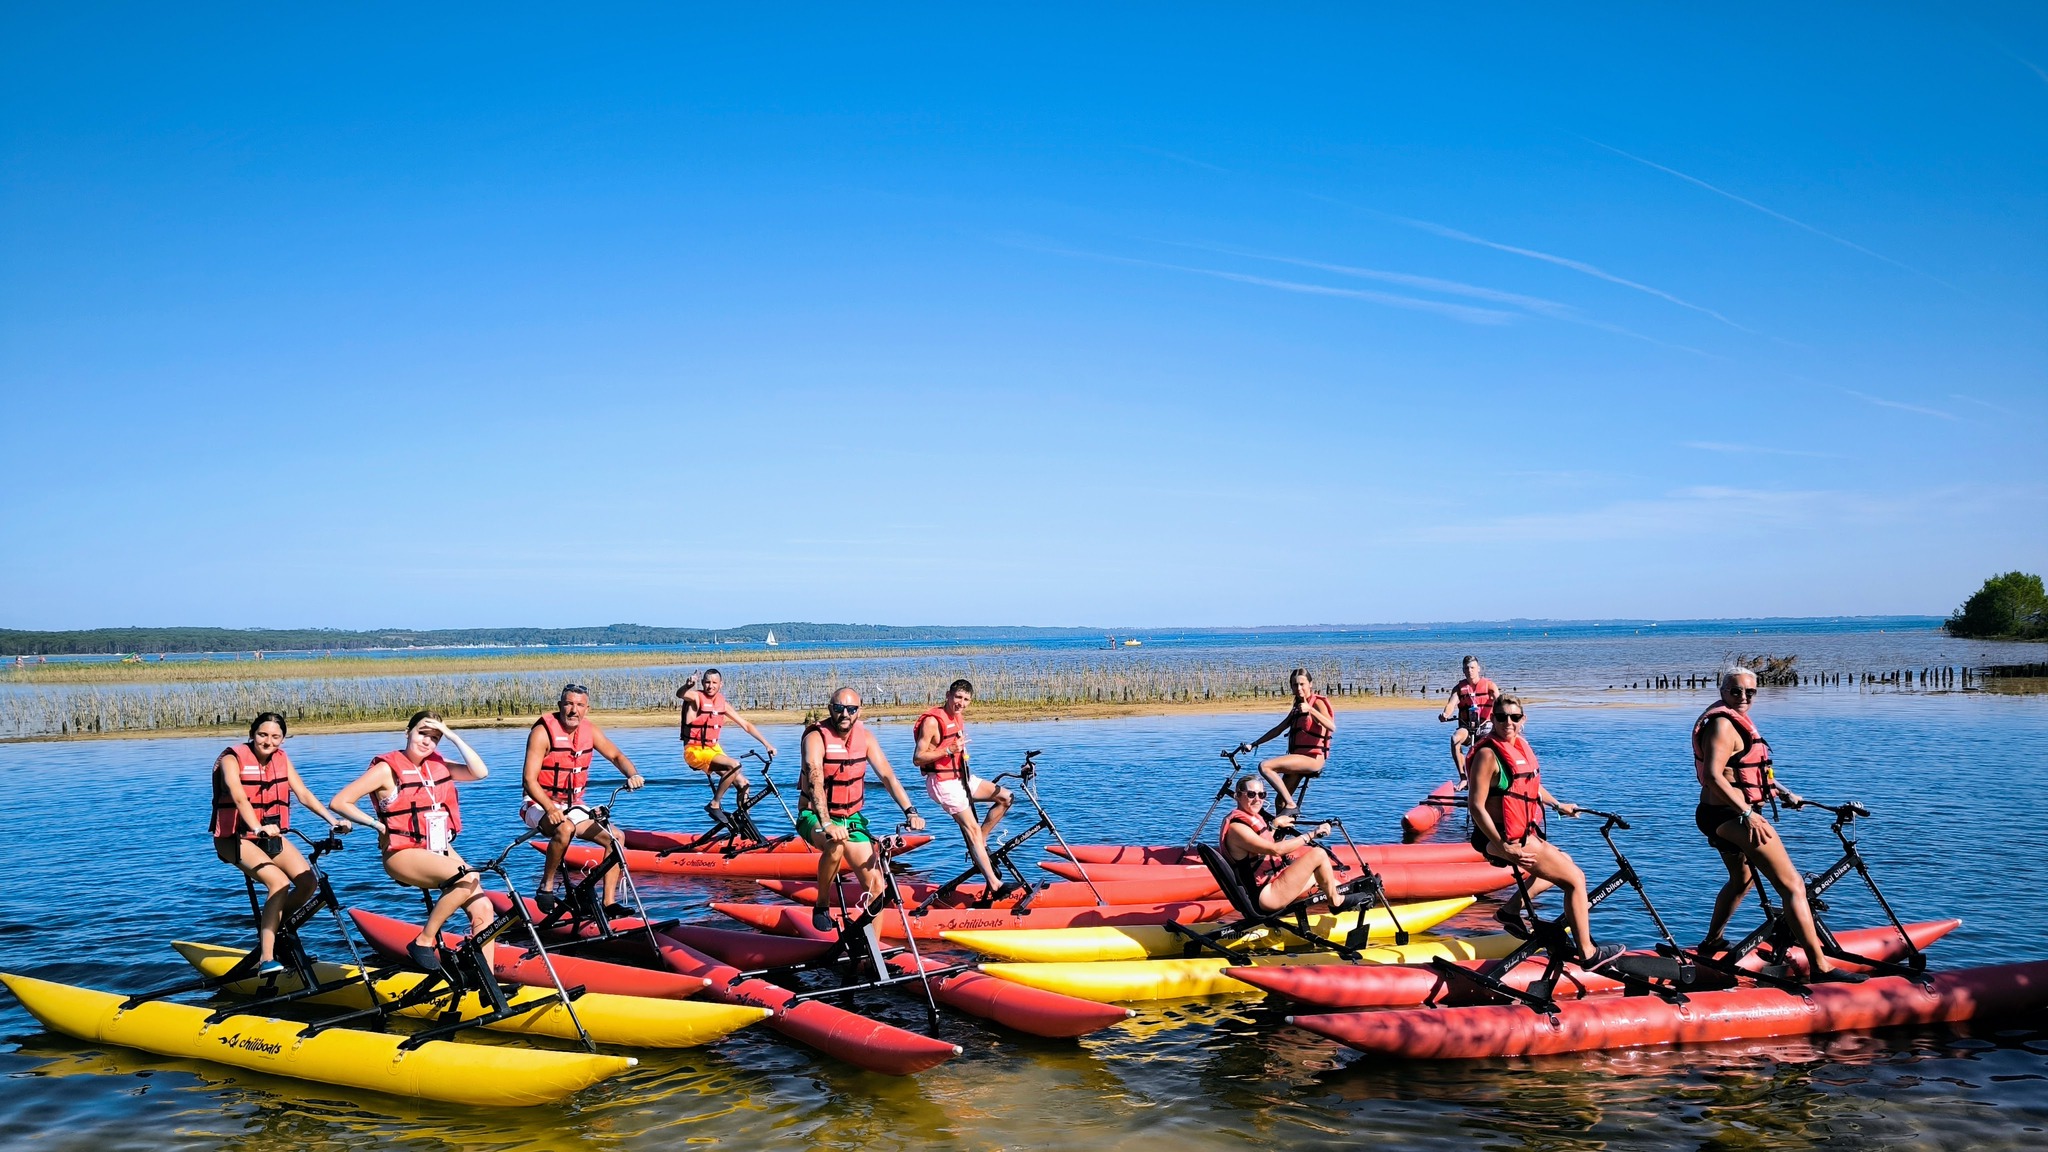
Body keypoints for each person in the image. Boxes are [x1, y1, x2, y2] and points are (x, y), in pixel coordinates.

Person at [1692, 666, 1860, 981]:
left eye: (1750, 692)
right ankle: (1821, 966)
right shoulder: (1722, 725)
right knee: (1792, 885)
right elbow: (1715, 776)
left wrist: (1784, 792)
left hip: (1719, 814)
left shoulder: (1734, 721)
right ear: (1723, 691)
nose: (1743, 697)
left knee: (1742, 879)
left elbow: (1745, 768)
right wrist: (1747, 813)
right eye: (1735, 691)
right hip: (1731, 815)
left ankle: (1711, 941)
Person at [1465, 696, 1624, 971]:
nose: (1508, 723)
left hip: (1517, 836)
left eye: (1515, 717)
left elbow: (1528, 786)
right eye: (1501, 717)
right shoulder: (1488, 755)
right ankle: (1588, 954)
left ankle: (1510, 910)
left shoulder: (1518, 749)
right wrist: (1503, 846)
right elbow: (1475, 806)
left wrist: (1558, 805)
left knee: (1565, 860)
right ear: (1492, 719)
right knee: (1575, 880)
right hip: (1499, 838)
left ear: (1523, 720)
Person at [329, 711, 493, 972]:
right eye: (422, 733)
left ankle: (487, 980)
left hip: (437, 848)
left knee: (483, 903)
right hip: (401, 852)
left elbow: (480, 772)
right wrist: (378, 825)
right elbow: (339, 802)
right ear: (408, 732)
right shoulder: (386, 769)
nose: (427, 742)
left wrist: (451, 735)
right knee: (463, 878)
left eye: (435, 738)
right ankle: (423, 942)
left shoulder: (438, 765)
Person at [209, 712, 352, 974]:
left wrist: (333, 821)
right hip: (235, 838)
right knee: (279, 882)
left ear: (283, 740)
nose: (268, 741)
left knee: (309, 882)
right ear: (252, 734)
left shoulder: (282, 760)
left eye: (275, 736)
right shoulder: (232, 758)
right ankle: (266, 957)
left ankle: (274, 930)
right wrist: (257, 827)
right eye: (263, 735)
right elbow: (239, 797)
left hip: (270, 837)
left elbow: (304, 794)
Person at [796, 688, 926, 931]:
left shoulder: (865, 737)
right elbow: (814, 779)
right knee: (834, 845)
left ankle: (871, 957)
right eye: (839, 708)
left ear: (859, 710)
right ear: (830, 709)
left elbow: (887, 776)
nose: (845, 714)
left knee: (877, 886)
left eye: (851, 709)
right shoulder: (815, 737)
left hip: (851, 818)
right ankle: (822, 903)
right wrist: (826, 824)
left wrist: (911, 811)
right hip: (814, 816)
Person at [522, 683, 644, 916]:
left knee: (616, 838)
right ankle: (545, 886)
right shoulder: (542, 733)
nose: (573, 710)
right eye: (568, 704)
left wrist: (632, 774)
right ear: (560, 706)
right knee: (565, 828)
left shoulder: (590, 731)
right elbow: (529, 780)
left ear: (586, 709)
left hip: (573, 805)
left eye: (579, 705)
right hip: (537, 803)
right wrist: (549, 808)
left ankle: (608, 903)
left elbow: (616, 755)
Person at [913, 679, 1016, 894]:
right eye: (958, 697)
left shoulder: (958, 717)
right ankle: (995, 884)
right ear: (948, 695)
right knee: (971, 830)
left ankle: (980, 843)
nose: (961, 703)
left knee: (1006, 797)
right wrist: (948, 750)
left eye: (966, 699)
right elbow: (918, 757)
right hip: (943, 783)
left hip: (962, 777)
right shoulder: (932, 721)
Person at [1217, 775, 1346, 912]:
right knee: (1319, 854)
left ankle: (1345, 907)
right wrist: (1312, 834)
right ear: (1237, 796)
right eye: (1251, 794)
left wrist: (1273, 825)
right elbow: (1275, 849)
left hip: (1268, 887)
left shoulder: (1246, 821)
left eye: (1262, 795)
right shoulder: (1237, 829)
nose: (1257, 799)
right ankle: (1335, 903)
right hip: (1264, 896)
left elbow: (1259, 846)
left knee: (1327, 880)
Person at [677, 669, 778, 817]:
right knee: (734, 764)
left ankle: (744, 823)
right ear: (703, 683)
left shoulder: (722, 704)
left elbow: (746, 725)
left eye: (714, 683)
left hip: (713, 750)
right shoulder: (696, 698)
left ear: (720, 684)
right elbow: (680, 694)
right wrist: (687, 685)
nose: (710, 686)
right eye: (707, 682)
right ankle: (714, 804)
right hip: (695, 751)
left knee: (744, 784)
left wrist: (767, 744)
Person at [1237, 668, 1335, 816]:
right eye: (1295, 685)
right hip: (1298, 758)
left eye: (1302, 684)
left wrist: (1311, 710)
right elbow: (1278, 729)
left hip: (1312, 759)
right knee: (1279, 802)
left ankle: (1291, 804)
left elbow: (1331, 726)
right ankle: (1284, 837)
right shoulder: (1297, 706)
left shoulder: (1317, 703)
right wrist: (1254, 744)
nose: (1299, 688)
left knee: (1265, 766)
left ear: (1310, 684)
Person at [1438, 655, 1499, 778]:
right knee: (1455, 739)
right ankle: (1463, 777)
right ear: (1463, 670)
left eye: (1472, 667)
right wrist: (1445, 714)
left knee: (1494, 744)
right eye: (1467, 668)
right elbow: (1451, 704)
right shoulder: (1459, 689)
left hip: (1486, 725)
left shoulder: (1489, 686)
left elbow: (1500, 701)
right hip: (1467, 727)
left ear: (1478, 669)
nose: (1470, 671)